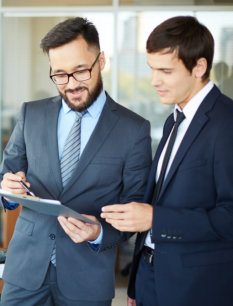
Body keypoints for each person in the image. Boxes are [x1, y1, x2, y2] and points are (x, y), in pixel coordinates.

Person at [0, 17, 151, 306]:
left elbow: (134, 207)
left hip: (87, 277)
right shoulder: (31, 114)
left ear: (101, 60)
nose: (71, 85)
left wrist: (99, 233)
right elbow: (6, 177)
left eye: (80, 71)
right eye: (59, 75)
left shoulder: (134, 130)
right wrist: (8, 190)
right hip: (25, 272)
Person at [101, 16, 233, 306]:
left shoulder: (227, 123)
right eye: (151, 69)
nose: (153, 81)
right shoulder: (175, 120)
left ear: (199, 67)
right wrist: (136, 283)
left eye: (165, 71)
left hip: (196, 289)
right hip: (151, 279)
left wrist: (155, 219)